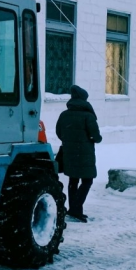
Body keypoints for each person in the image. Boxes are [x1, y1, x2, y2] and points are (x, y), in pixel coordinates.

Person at [55, 85, 102, 222]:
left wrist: (69, 140)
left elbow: (59, 132)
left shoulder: (64, 114)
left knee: (73, 180)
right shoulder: (88, 116)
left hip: (69, 152)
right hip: (85, 153)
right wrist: (96, 139)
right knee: (87, 180)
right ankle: (76, 208)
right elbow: (95, 136)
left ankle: (73, 209)